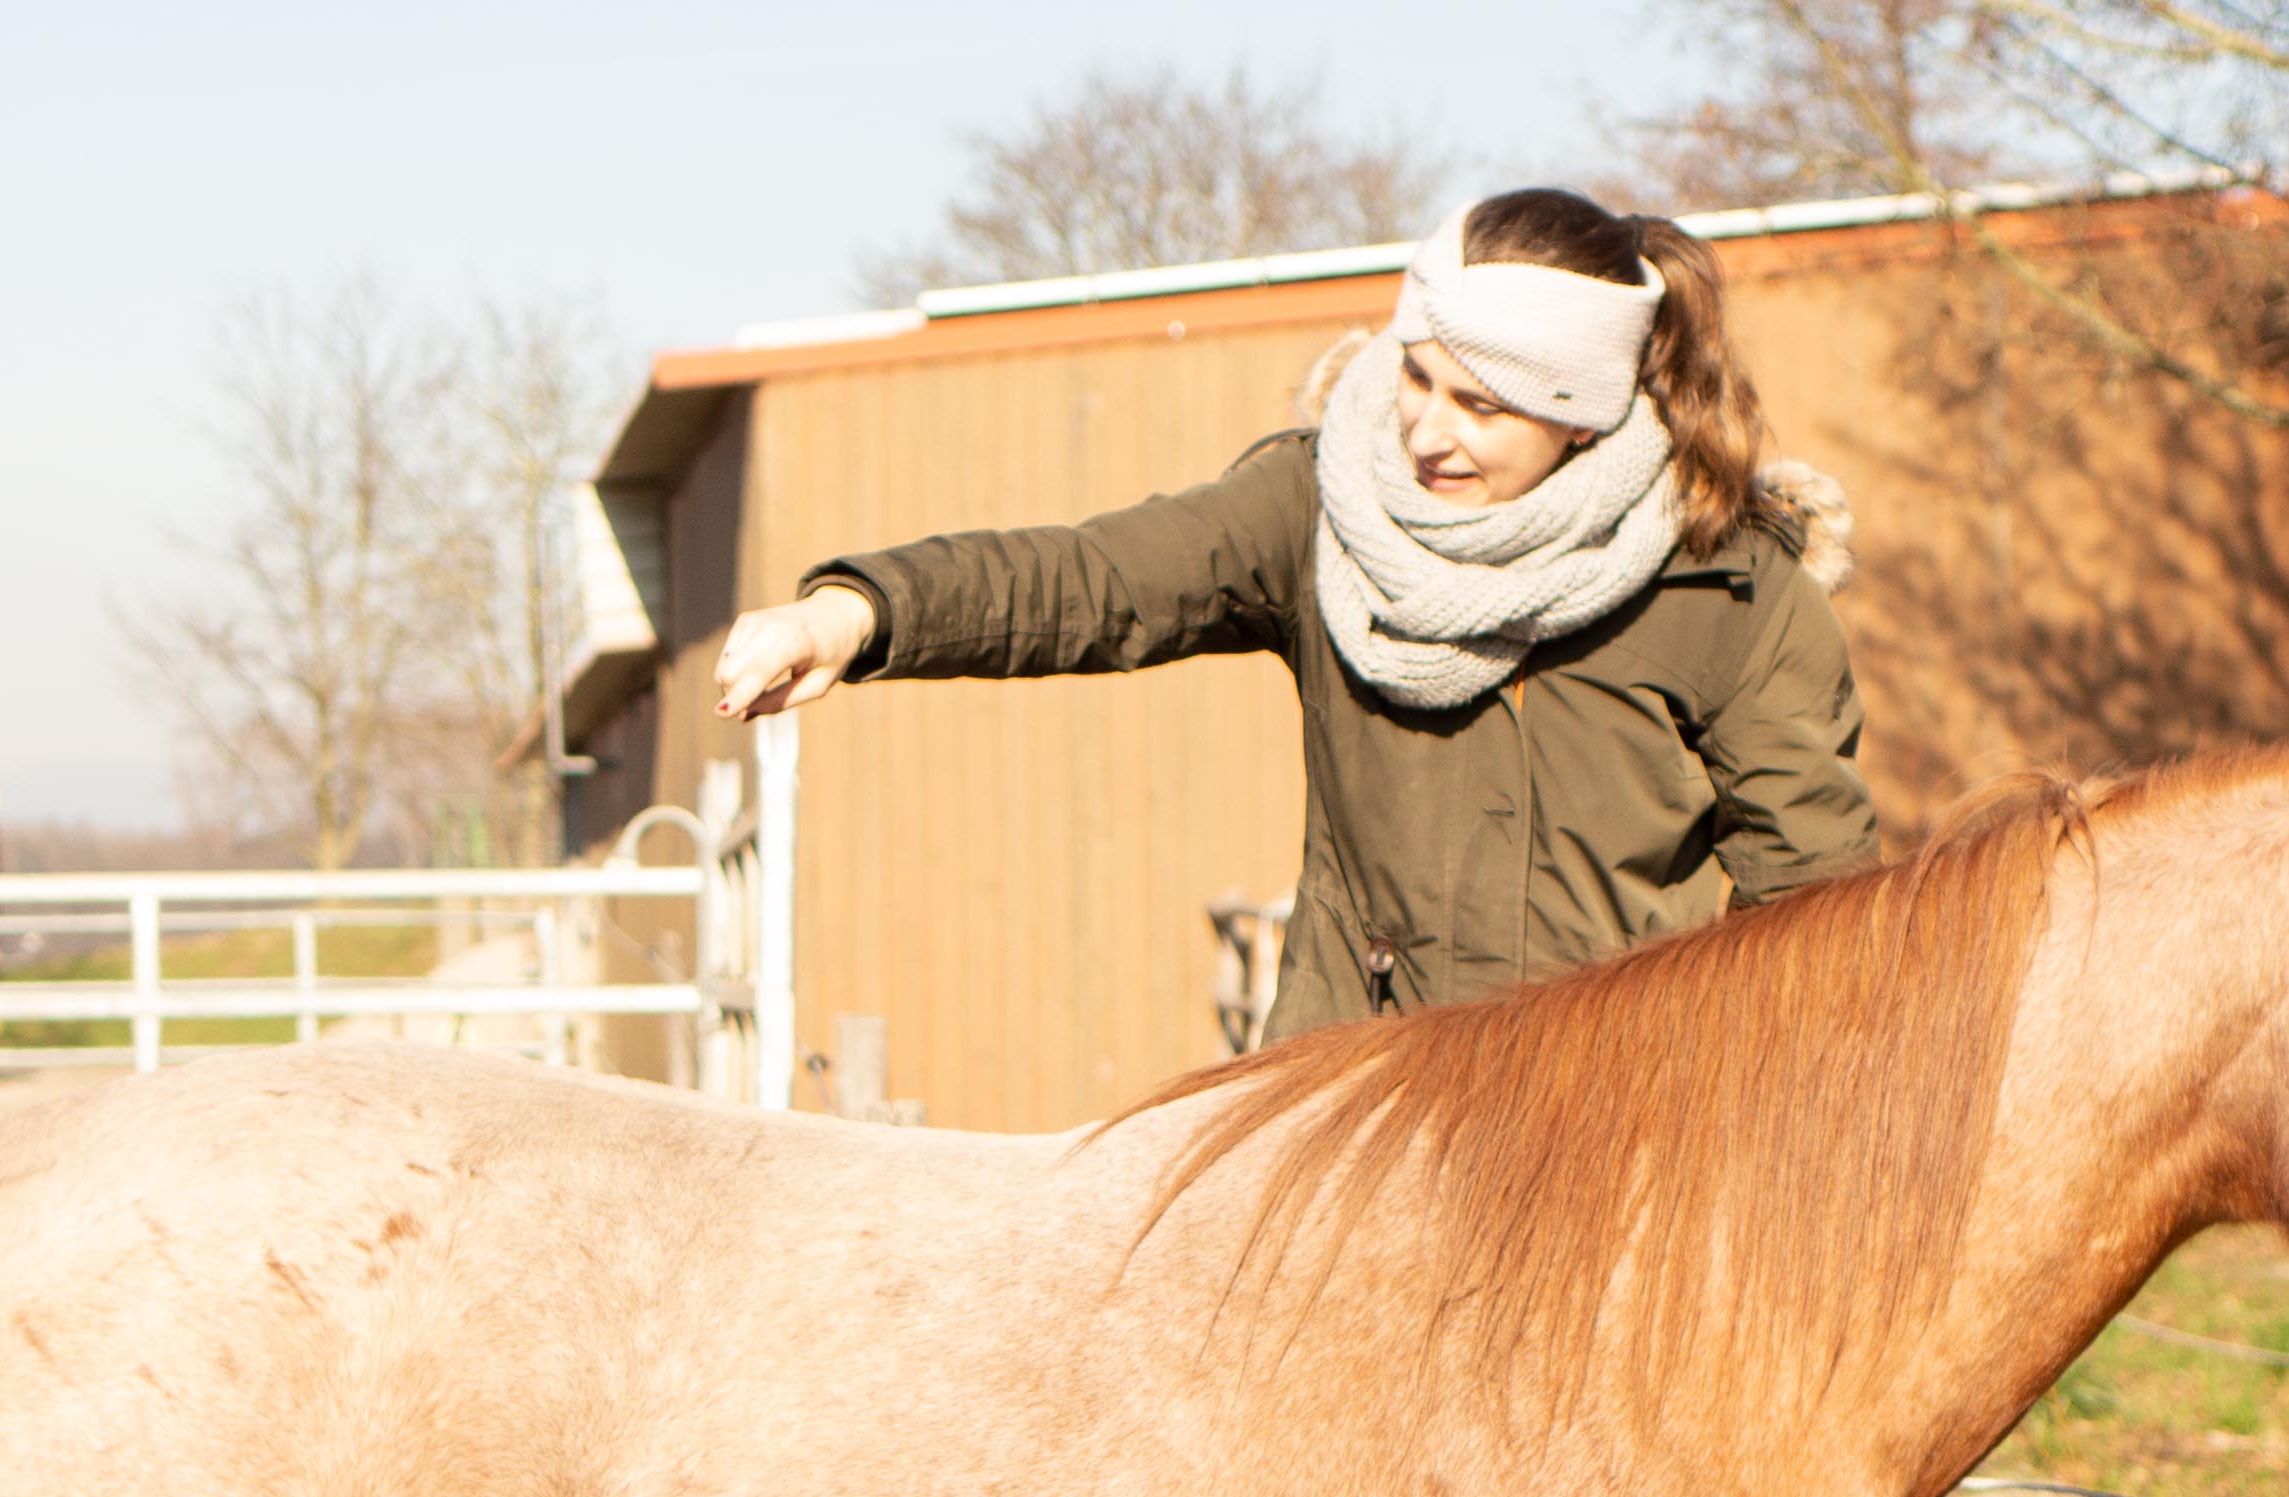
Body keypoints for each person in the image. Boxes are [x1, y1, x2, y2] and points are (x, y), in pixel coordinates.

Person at [714, 187, 1877, 1041]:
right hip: (1342, 1118)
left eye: (1480, 404)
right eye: (1417, 375)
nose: (1425, 431)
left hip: (1604, 1147)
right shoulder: (1323, 507)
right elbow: (1095, 579)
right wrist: (859, 616)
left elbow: (1814, 926)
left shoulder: (1727, 594)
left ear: (1579, 411)